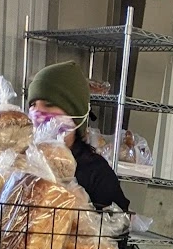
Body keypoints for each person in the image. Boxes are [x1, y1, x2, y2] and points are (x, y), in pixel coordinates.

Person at [25, 60, 130, 214]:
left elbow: (117, 230)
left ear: (75, 114)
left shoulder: (96, 172)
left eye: (48, 104)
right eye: (33, 104)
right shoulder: (21, 161)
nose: (38, 111)